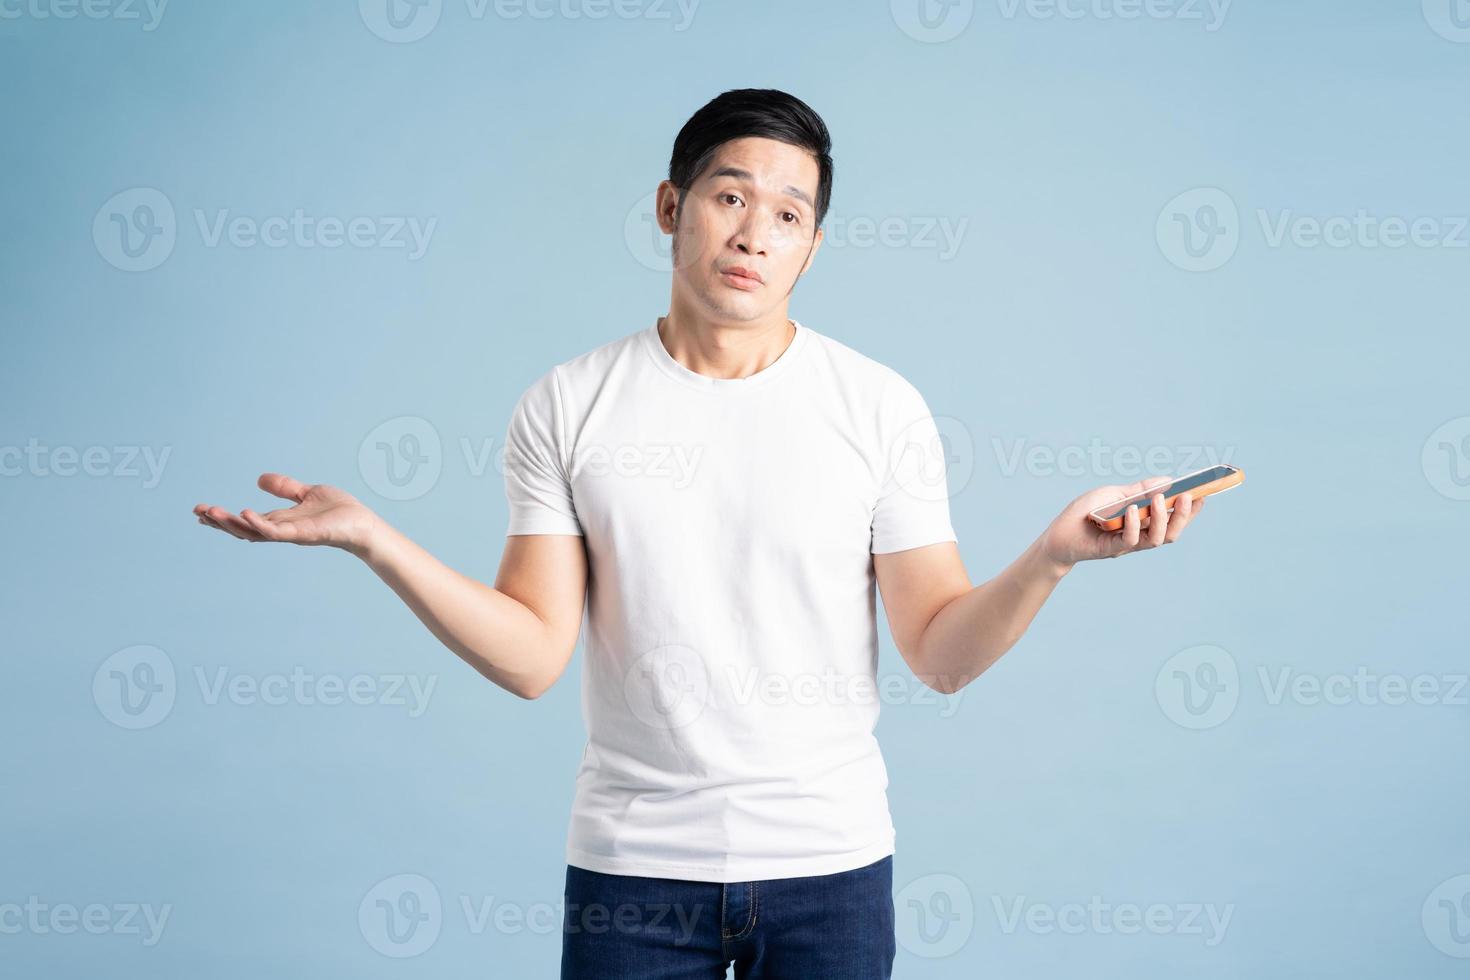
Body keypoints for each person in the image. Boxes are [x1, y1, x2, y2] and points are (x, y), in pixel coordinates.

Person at [193, 88, 1205, 979]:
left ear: (813, 243)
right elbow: (534, 653)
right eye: (729, 197)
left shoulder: (880, 407)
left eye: (788, 213)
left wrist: (1053, 556)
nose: (754, 233)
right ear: (671, 208)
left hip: (831, 870)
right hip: (633, 878)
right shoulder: (567, 403)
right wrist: (377, 539)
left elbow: (938, 651)